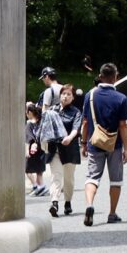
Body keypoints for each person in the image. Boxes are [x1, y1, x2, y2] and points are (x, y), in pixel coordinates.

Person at [81, 64, 127, 227]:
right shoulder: (121, 98)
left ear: (100, 76)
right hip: (114, 144)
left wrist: (83, 143)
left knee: (92, 177)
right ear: (115, 77)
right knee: (116, 180)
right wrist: (126, 147)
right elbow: (123, 125)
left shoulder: (90, 95)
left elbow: (85, 122)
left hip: (94, 143)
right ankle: (112, 213)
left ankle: (89, 205)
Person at [45, 83, 81, 218]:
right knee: (56, 176)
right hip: (54, 149)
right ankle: (54, 202)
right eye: (63, 94)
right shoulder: (53, 110)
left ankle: (67, 202)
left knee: (69, 179)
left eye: (68, 94)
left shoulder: (76, 112)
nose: (65, 96)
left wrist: (70, 137)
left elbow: (76, 129)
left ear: (73, 98)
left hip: (69, 149)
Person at [23, 102, 49, 198]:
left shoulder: (29, 124)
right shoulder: (41, 122)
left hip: (32, 150)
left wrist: (26, 151)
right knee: (39, 170)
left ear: (29, 113)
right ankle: (40, 186)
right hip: (41, 148)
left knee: (27, 169)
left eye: (26, 112)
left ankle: (37, 187)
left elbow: (28, 139)